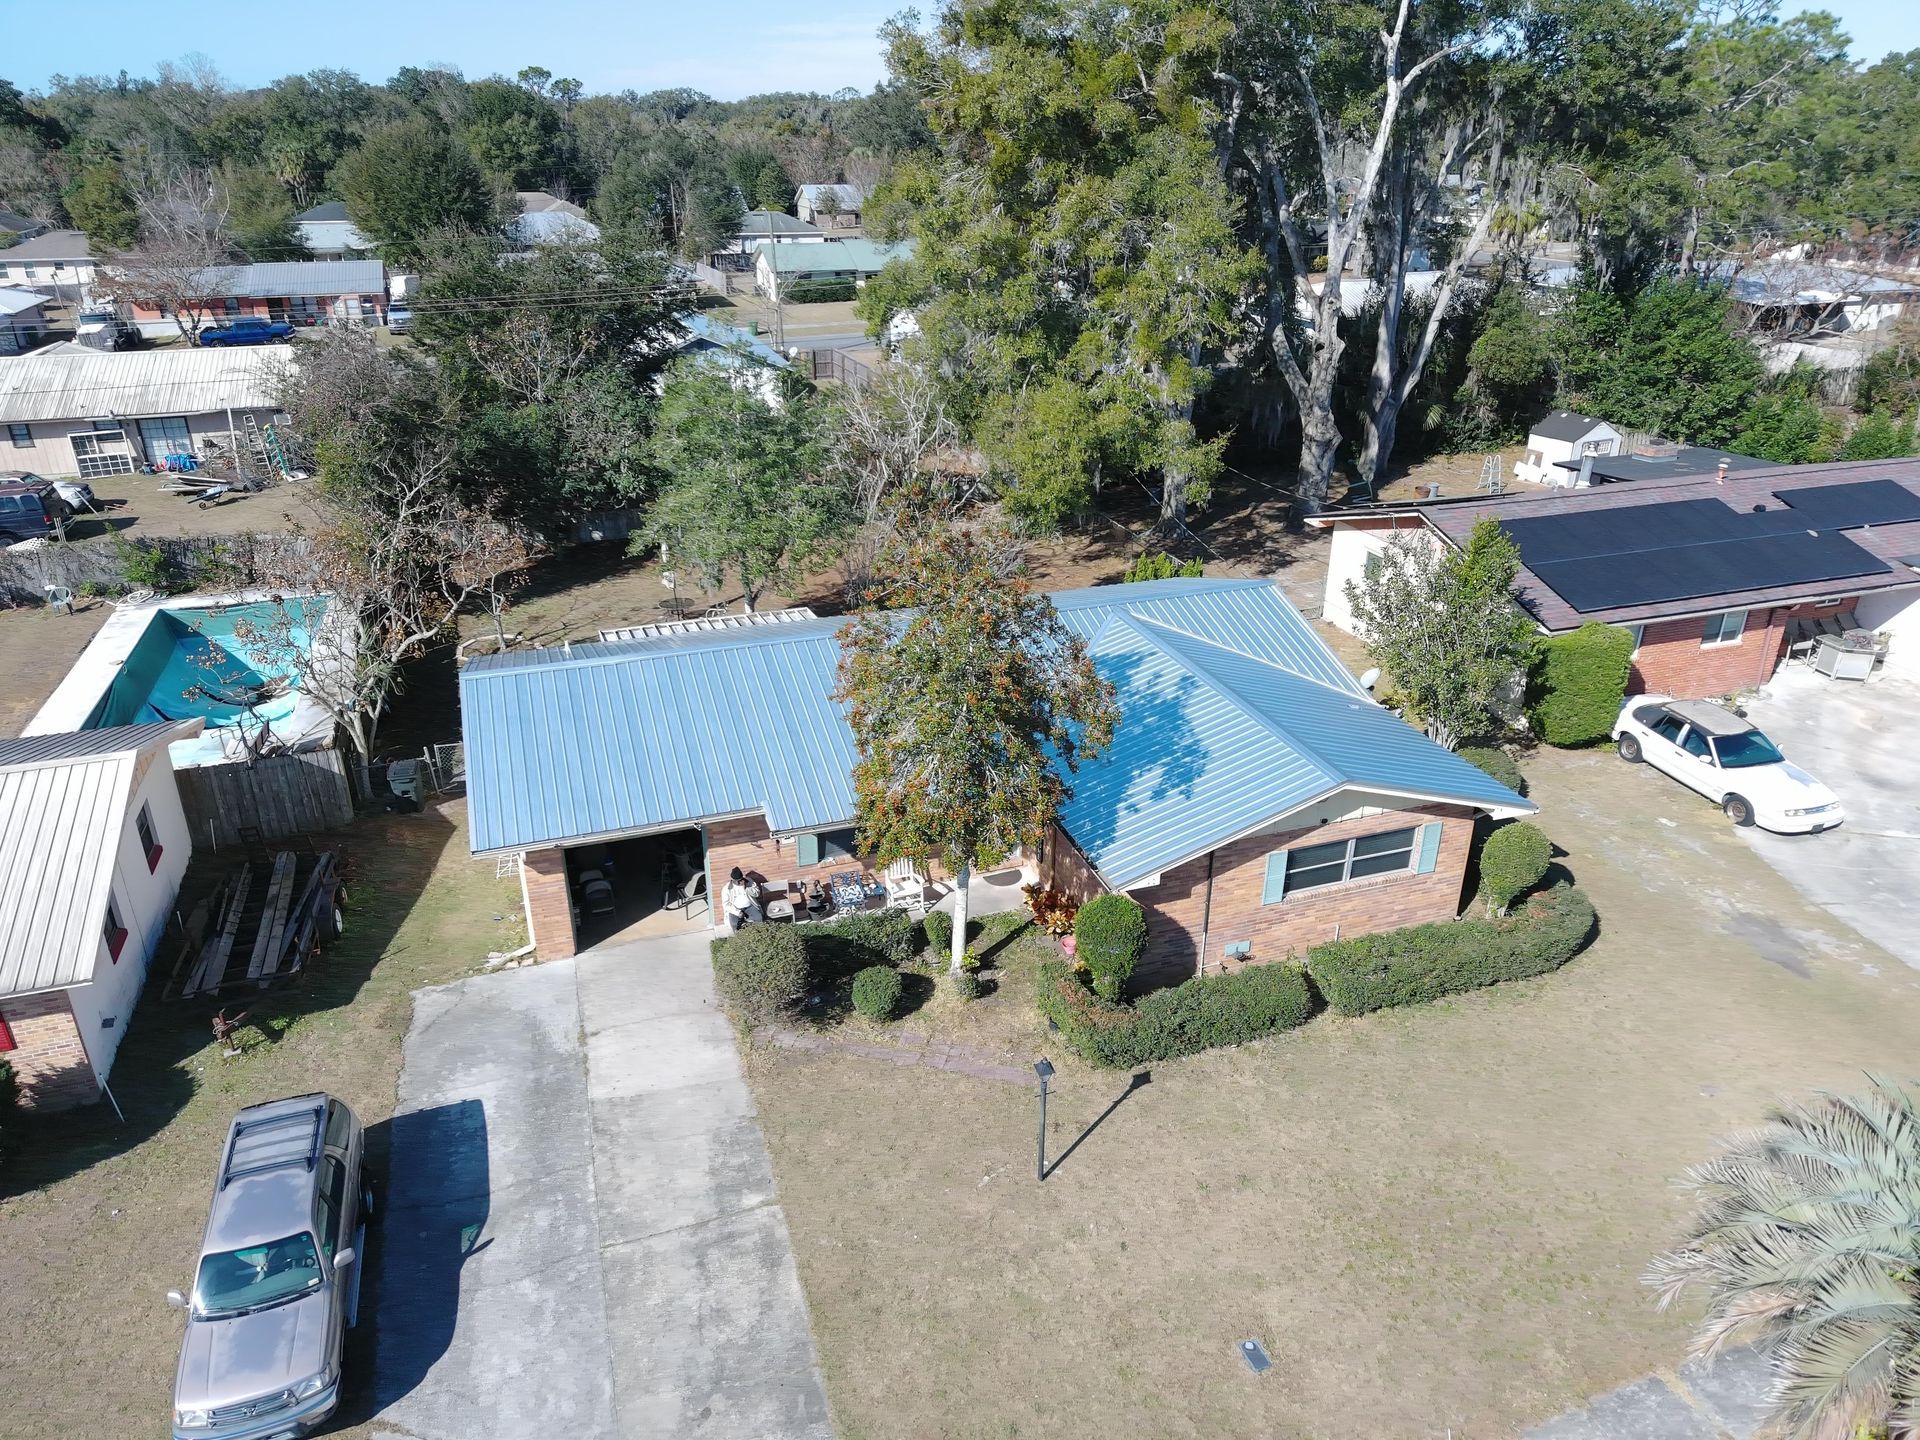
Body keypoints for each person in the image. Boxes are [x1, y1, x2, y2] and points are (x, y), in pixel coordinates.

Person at [723, 867, 761, 932]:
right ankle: (739, 937)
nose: (740, 882)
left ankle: (758, 933)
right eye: (738, 881)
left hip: (750, 906)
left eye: (741, 879)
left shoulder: (748, 881)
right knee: (734, 924)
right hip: (736, 909)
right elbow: (726, 904)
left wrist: (747, 888)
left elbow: (757, 893)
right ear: (732, 880)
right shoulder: (727, 889)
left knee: (759, 918)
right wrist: (737, 912)